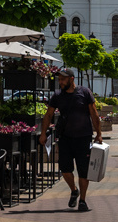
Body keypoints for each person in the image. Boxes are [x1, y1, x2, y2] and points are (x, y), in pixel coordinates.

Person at [41, 71, 103, 212]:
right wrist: (43, 133)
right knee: (65, 169)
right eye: (59, 79)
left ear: (71, 79)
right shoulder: (57, 96)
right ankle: (74, 190)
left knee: (83, 171)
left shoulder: (85, 92)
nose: (60, 82)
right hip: (65, 138)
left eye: (63, 79)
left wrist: (99, 134)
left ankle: (82, 201)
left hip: (83, 137)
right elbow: (48, 114)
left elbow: (93, 113)